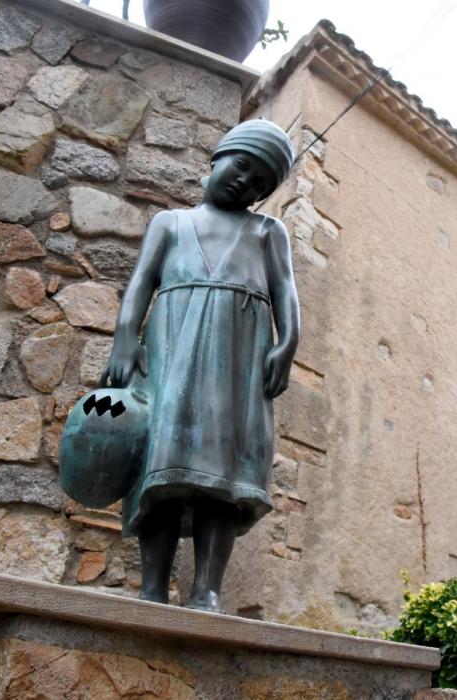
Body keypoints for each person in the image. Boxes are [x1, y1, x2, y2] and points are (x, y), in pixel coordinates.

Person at [101, 119, 300, 612]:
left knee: (224, 479)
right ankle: (151, 587)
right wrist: (125, 341)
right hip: (170, 354)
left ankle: (207, 589)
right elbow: (140, 284)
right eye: (242, 166)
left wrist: (289, 341)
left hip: (240, 362)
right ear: (218, 156)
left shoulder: (267, 231)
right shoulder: (169, 222)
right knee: (161, 471)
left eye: (259, 184)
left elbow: (286, 291)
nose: (244, 183)